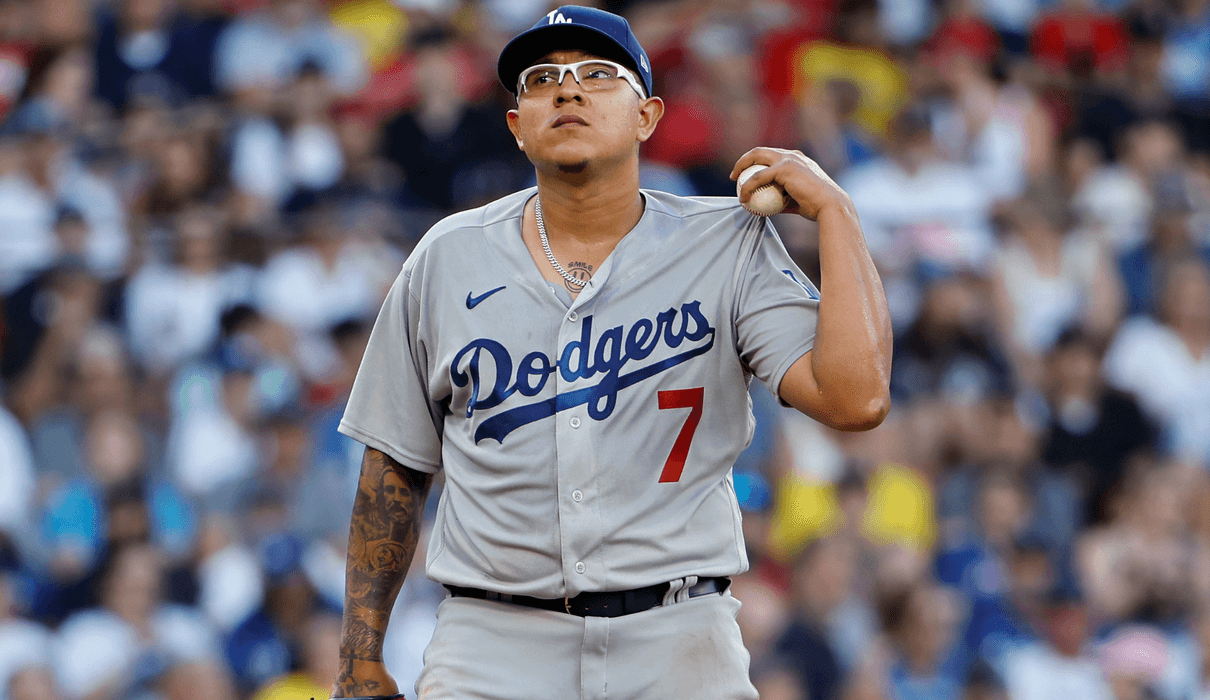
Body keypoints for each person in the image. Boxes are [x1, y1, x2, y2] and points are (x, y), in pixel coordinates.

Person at [329, 6, 892, 699]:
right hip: (493, 643)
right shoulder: (447, 256)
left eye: (597, 74)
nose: (567, 90)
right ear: (516, 127)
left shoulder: (727, 242)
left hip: (679, 637)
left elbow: (855, 398)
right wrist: (359, 655)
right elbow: (392, 465)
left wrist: (837, 215)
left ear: (646, 116)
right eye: (541, 80)